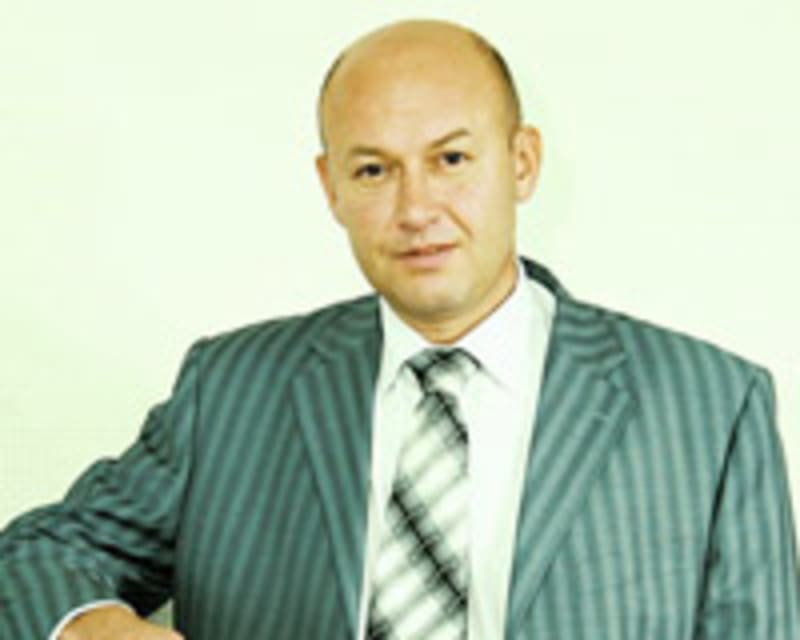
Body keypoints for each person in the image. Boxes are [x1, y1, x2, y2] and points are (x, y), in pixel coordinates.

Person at [1, 18, 798, 640]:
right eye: (374, 170)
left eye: (451, 160)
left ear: (522, 162)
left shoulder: (711, 407)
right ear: (331, 187)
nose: (416, 209)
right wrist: (93, 628)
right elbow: (33, 559)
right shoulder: (230, 391)